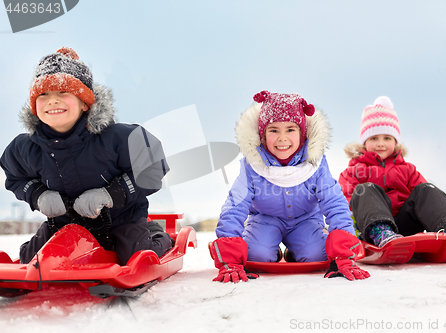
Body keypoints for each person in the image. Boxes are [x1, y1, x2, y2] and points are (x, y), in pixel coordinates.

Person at [0, 47, 172, 265]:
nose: (52, 101)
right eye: (43, 95)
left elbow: (153, 168)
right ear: (34, 105)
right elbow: (16, 177)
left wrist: (111, 194)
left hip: (121, 218)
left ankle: (157, 235)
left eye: (63, 92)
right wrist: (38, 195)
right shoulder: (25, 147)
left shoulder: (119, 137)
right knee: (30, 260)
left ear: (84, 102)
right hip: (65, 221)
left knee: (135, 256)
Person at [209, 90, 370, 283]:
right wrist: (231, 260)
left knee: (318, 256)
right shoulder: (252, 166)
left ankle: (297, 250)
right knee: (256, 257)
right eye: (274, 130)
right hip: (265, 220)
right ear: (262, 134)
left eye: (290, 130)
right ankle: (271, 249)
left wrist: (344, 254)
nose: (282, 138)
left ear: (302, 134)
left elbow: (334, 202)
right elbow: (235, 206)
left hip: (306, 220)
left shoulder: (315, 164)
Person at [339, 96, 446, 248]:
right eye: (373, 138)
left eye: (387, 138)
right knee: (365, 189)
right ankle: (382, 232)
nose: (380, 144)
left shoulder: (408, 170)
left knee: (426, 189)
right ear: (364, 143)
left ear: (395, 142)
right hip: (372, 227)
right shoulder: (353, 172)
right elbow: (343, 203)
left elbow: (425, 201)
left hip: (406, 226)